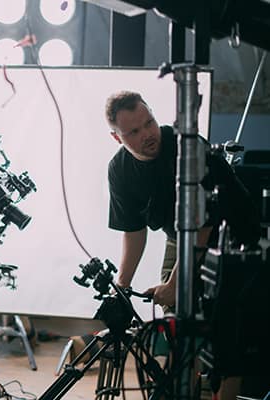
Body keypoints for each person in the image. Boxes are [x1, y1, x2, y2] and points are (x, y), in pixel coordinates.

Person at [105, 91, 261, 400]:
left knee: (227, 329)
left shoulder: (185, 148)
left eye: (148, 123)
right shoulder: (120, 169)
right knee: (177, 322)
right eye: (133, 132)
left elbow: (204, 226)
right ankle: (180, 391)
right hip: (181, 237)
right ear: (116, 137)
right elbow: (134, 233)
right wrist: (121, 289)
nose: (147, 134)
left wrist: (177, 282)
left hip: (232, 235)